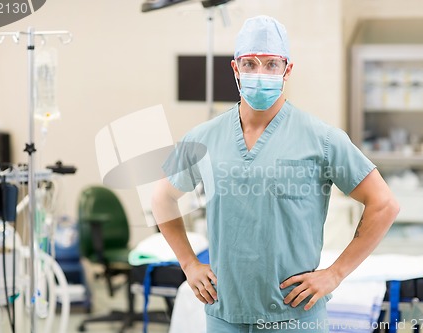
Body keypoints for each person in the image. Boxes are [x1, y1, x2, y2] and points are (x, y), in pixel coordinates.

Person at [151, 15, 399, 333]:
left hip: (295, 316)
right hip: (225, 313)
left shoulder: (321, 138)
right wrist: (188, 262)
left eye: (271, 64)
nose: (260, 73)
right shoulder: (204, 138)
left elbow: (384, 204)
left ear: (288, 70)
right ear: (235, 68)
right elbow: (162, 197)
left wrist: (335, 273)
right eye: (250, 63)